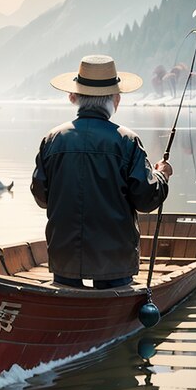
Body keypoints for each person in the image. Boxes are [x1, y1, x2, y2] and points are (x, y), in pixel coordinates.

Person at [30, 54, 173, 290]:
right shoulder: (127, 141)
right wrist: (162, 175)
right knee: (115, 294)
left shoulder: (52, 139)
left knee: (66, 293)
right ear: (115, 99)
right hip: (114, 260)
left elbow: (41, 197)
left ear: (74, 97)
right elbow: (146, 199)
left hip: (63, 255)